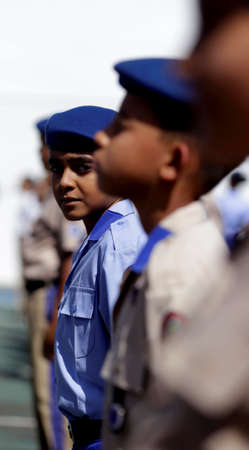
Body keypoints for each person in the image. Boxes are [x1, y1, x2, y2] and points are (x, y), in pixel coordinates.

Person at [93, 57, 236, 450]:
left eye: (120, 127)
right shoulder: (162, 254)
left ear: (173, 160)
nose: (102, 138)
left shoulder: (182, 271)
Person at [45, 105, 147, 450]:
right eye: (55, 167)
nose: (64, 182)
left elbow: (136, 368)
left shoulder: (119, 245)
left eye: (82, 167)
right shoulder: (99, 237)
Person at [23, 118, 83, 450]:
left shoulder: (64, 191)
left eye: (44, 145)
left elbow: (68, 257)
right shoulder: (50, 190)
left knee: (51, 391)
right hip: (41, 291)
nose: (39, 152)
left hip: (50, 294)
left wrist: (56, 314)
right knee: (41, 390)